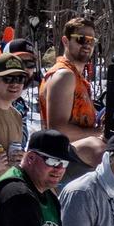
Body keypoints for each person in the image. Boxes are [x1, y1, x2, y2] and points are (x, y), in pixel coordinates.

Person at [38, 16, 104, 167]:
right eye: (81, 39)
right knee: (102, 152)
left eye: (91, 41)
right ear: (66, 41)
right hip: (60, 162)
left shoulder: (75, 76)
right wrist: (97, 134)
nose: (87, 44)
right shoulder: (64, 75)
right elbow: (58, 130)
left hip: (75, 158)